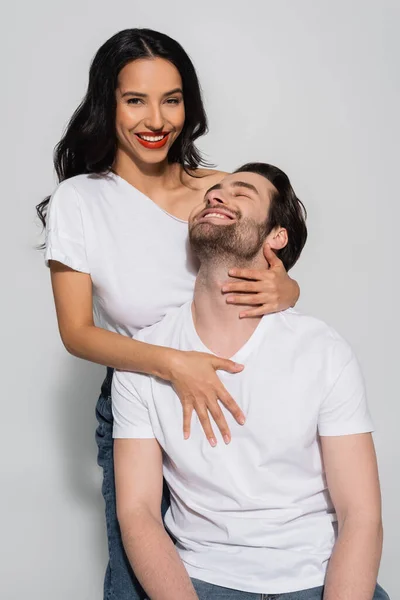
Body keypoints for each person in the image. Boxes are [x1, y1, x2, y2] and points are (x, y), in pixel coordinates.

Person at [38, 29, 300, 599]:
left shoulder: (219, 190)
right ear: (107, 103)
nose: (156, 119)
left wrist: (290, 290)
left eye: (172, 99)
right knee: (140, 581)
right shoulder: (79, 201)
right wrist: (175, 364)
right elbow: (77, 333)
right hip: (144, 406)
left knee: (266, 567)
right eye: (135, 100)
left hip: (242, 397)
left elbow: (274, 274)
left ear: (190, 104)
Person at [112, 163, 388, 600]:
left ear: (276, 236)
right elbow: (138, 512)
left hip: (317, 578)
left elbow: (362, 514)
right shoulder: (144, 358)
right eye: (211, 193)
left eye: (240, 193)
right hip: (201, 581)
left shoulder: (323, 351)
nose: (216, 197)